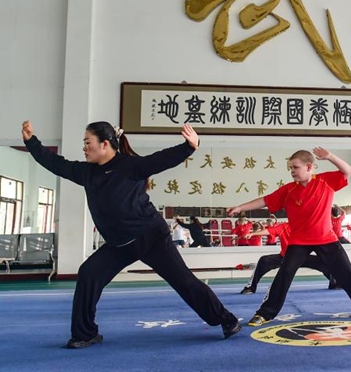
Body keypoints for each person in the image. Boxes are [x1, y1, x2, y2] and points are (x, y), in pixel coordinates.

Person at [21, 120, 241, 348]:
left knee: (184, 281)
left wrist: (189, 147)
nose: (84, 147)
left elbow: (159, 160)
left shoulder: (129, 166)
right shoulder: (86, 172)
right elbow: (55, 163)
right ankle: (85, 334)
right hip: (119, 244)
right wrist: (31, 141)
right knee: (89, 273)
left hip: (150, 237)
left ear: (104, 144)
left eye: (88, 142)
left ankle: (226, 320)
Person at [226, 147, 351, 326]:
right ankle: (265, 313)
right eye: (290, 168)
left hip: (326, 238)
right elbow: (265, 201)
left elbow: (348, 171)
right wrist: (240, 207)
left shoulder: (325, 181)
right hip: (299, 242)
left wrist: (329, 156)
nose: (292, 172)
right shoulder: (288, 190)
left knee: (346, 272)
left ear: (309, 167)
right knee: (284, 274)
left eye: (295, 168)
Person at [239, 219, 337, 294]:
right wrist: (252, 234)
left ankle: (336, 283)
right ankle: (251, 287)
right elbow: (269, 231)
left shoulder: (307, 226)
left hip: (303, 257)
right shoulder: (283, 227)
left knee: (325, 262)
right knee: (264, 260)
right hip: (285, 258)